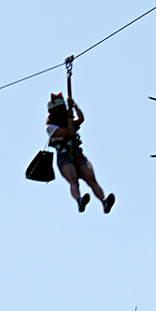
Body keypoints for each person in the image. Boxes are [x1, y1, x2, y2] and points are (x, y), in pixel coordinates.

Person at [45, 64, 113, 214]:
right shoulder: (51, 127)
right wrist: (69, 118)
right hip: (64, 156)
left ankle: (104, 201)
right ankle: (79, 200)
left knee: (91, 178)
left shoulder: (69, 120)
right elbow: (69, 132)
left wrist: (73, 105)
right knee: (73, 179)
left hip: (76, 153)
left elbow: (81, 118)